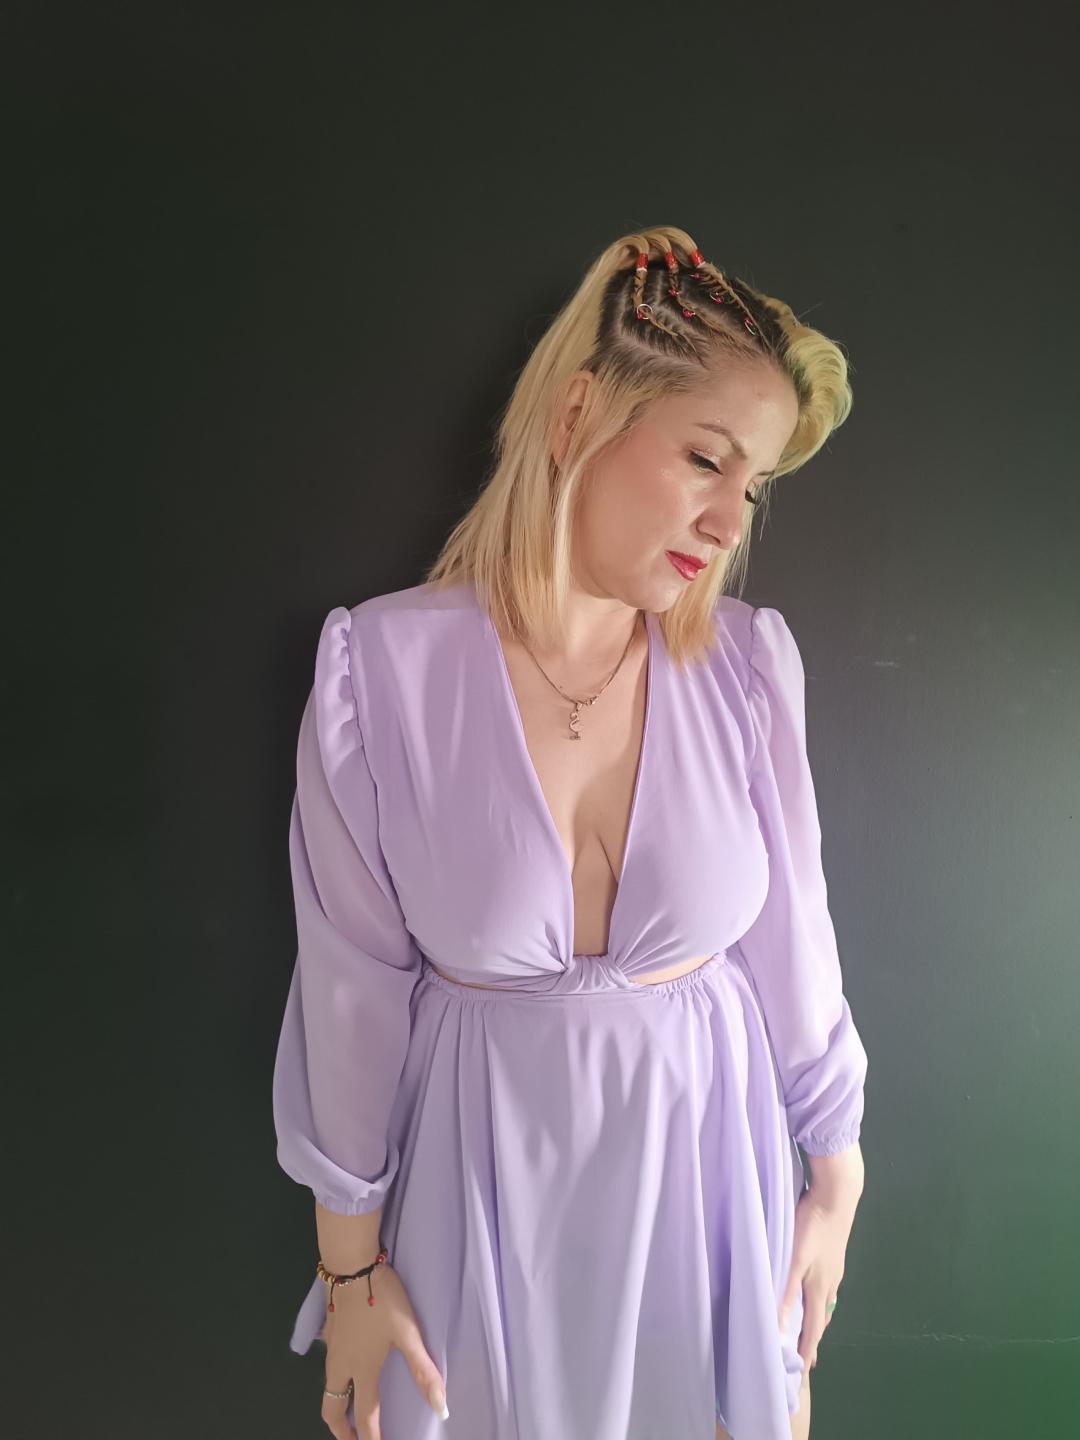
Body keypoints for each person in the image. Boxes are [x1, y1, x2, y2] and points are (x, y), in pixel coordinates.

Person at [272, 224, 869, 1440]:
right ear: (580, 415)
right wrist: (351, 1269)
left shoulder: (747, 668)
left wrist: (835, 1178)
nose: (730, 520)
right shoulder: (380, 672)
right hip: (480, 1200)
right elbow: (348, 991)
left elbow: (796, 943)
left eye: (751, 486)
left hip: (711, 1190)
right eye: (705, 458)